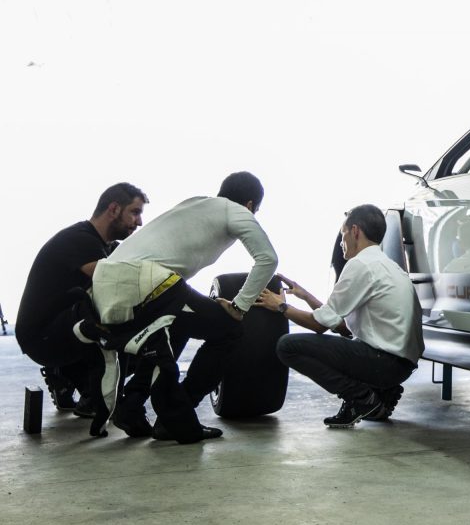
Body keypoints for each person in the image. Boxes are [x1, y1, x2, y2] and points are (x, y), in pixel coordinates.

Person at [88, 171, 278, 443]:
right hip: (144, 280)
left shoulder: (195, 203)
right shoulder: (237, 211)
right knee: (229, 330)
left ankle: (131, 405)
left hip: (107, 285)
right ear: (250, 205)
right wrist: (239, 306)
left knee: (174, 324)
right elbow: (268, 259)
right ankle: (177, 416)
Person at [255, 204, 424, 428]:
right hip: (400, 365)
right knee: (345, 340)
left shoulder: (360, 265)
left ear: (355, 231)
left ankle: (362, 398)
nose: (341, 241)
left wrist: (281, 307)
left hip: (383, 363)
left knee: (288, 346)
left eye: (343, 234)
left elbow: (318, 326)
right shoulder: (388, 266)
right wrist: (305, 296)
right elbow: (341, 325)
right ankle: (380, 396)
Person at [16, 183, 148, 419]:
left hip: (60, 328)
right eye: (135, 212)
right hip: (42, 339)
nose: (139, 222)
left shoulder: (107, 247)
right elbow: (117, 285)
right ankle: (84, 387)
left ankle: (67, 378)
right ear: (114, 209)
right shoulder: (81, 240)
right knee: (129, 324)